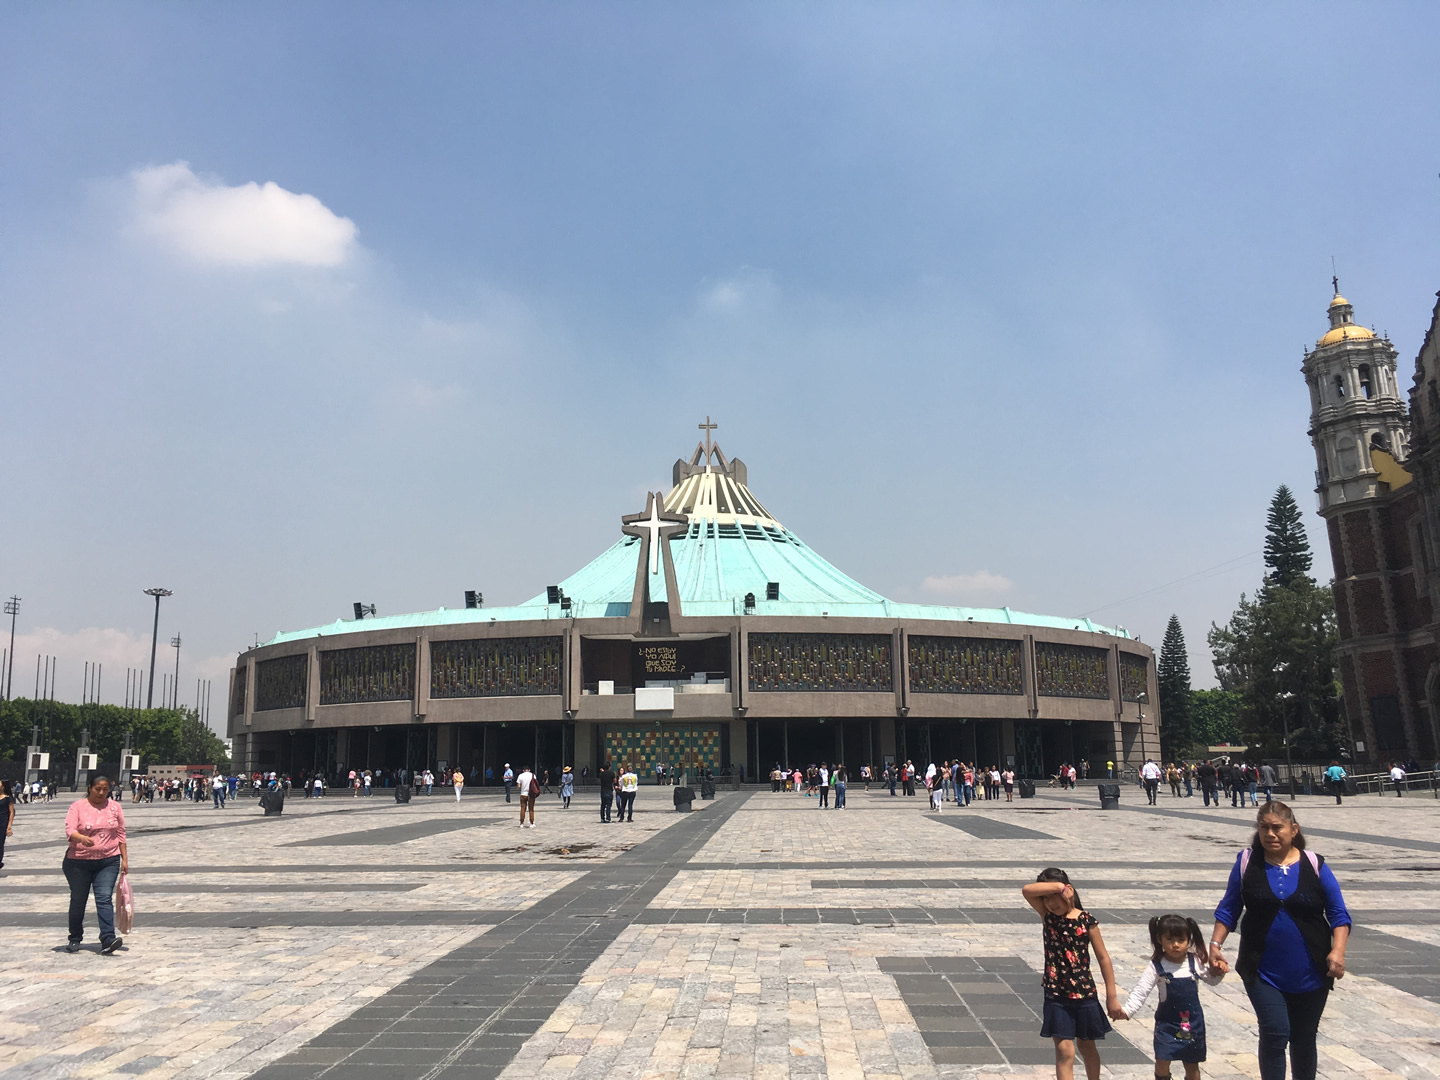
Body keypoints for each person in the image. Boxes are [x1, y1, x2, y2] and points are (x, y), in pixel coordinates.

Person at [1210, 801, 1351, 1080]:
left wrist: (1338, 951)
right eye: (1264, 828)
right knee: (1275, 1031)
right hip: (1262, 968)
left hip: (1311, 970)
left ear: (1293, 829)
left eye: (1277, 828)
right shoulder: (1247, 862)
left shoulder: (1315, 864)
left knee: (1303, 1037)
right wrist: (1215, 946)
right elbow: (1229, 909)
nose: (1270, 834)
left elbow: (1338, 913)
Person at [1021, 868, 1121, 1080]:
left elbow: (1104, 958)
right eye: (1045, 898)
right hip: (1056, 994)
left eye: (1055, 897)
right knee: (1065, 1050)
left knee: (1087, 1046)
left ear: (1069, 891)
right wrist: (1058, 887)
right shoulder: (1047, 917)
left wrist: (1111, 996)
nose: (1050, 903)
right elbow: (1027, 890)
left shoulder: (1086, 920)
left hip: (1084, 994)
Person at [1117, 914, 1225, 1080]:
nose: (1175, 945)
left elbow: (1212, 980)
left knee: (1191, 1063)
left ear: (1188, 940)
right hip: (1167, 1023)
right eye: (1169, 939)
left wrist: (1219, 971)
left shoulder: (1194, 961)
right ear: (1160, 940)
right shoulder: (1156, 965)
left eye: (1180, 940)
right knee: (1162, 1059)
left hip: (1192, 1023)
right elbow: (1141, 990)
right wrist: (1127, 1011)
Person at [63, 775, 128, 954]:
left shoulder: (115, 807)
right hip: (78, 862)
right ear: (90, 787)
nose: (101, 793)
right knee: (78, 900)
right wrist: (81, 838)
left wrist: (125, 859)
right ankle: (75, 937)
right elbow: (70, 829)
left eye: (105, 789)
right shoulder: (77, 806)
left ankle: (108, 938)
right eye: (97, 789)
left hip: (108, 861)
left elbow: (121, 833)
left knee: (104, 898)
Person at [0, 779, 13, 868]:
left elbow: (12, 813)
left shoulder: (8, 798)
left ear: (3, 786)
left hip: (2, 823)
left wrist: (9, 827)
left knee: (0, 844)